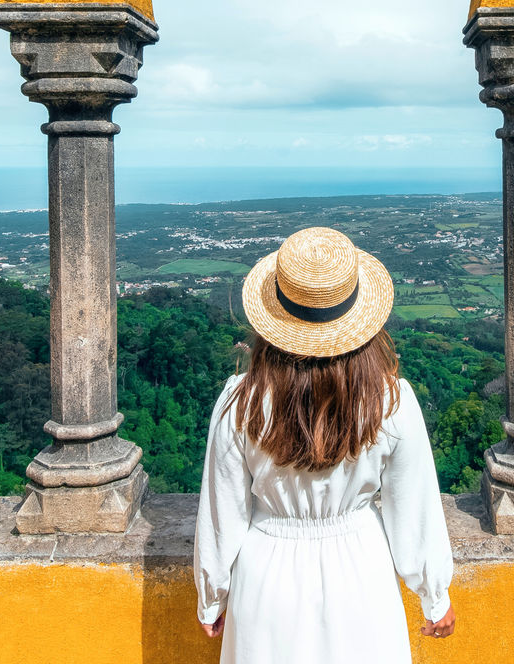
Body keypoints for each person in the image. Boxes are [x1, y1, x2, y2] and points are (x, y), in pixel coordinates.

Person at [194, 226, 456, 663]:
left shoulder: (241, 400)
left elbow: (223, 511)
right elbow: (414, 505)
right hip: (361, 575)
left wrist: (211, 596)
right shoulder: (390, 400)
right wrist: (435, 595)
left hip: (265, 581)